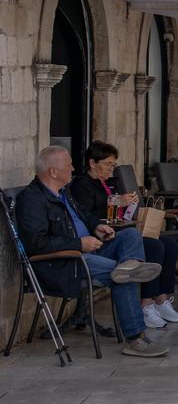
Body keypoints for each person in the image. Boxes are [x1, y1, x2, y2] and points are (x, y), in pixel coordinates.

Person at [15, 147, 167, 357]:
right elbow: (37, 244)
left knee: (130, 236)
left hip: (89, 250)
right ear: (52, 172)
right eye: (68, 165)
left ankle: (130, 264)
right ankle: (135, 339)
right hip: (65, 263)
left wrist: (97, 227)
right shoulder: (31, 200)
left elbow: (85, 214)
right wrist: (79, 244)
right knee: (122, 275)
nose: (73, 168)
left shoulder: (63, 192)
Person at [71, 141, 178, 330]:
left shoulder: (108, 183)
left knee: (169, 243)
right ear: (92, 163)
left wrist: (129, 203)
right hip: (105, 239)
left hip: (124, 231)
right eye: (107, 164)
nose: (111, 169)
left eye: (113, 165)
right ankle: (146, 304)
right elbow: (87, 216)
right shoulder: (82, 185)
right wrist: (116, 204)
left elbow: (117, 209)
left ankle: (161, 299)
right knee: (155, 247)